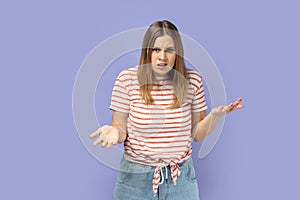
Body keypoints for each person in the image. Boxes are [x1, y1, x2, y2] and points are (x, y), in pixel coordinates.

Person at [89, 20, 243, 200]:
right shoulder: (127, 79)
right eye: (156, 49)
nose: (163, 56)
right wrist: (114, 132)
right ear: (147, 51)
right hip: (135, 180)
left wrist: (215, 116)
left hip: (180, 180)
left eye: (169, 50)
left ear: (177, 53)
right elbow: (120, 129)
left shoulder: (192, 81)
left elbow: (198, 134)